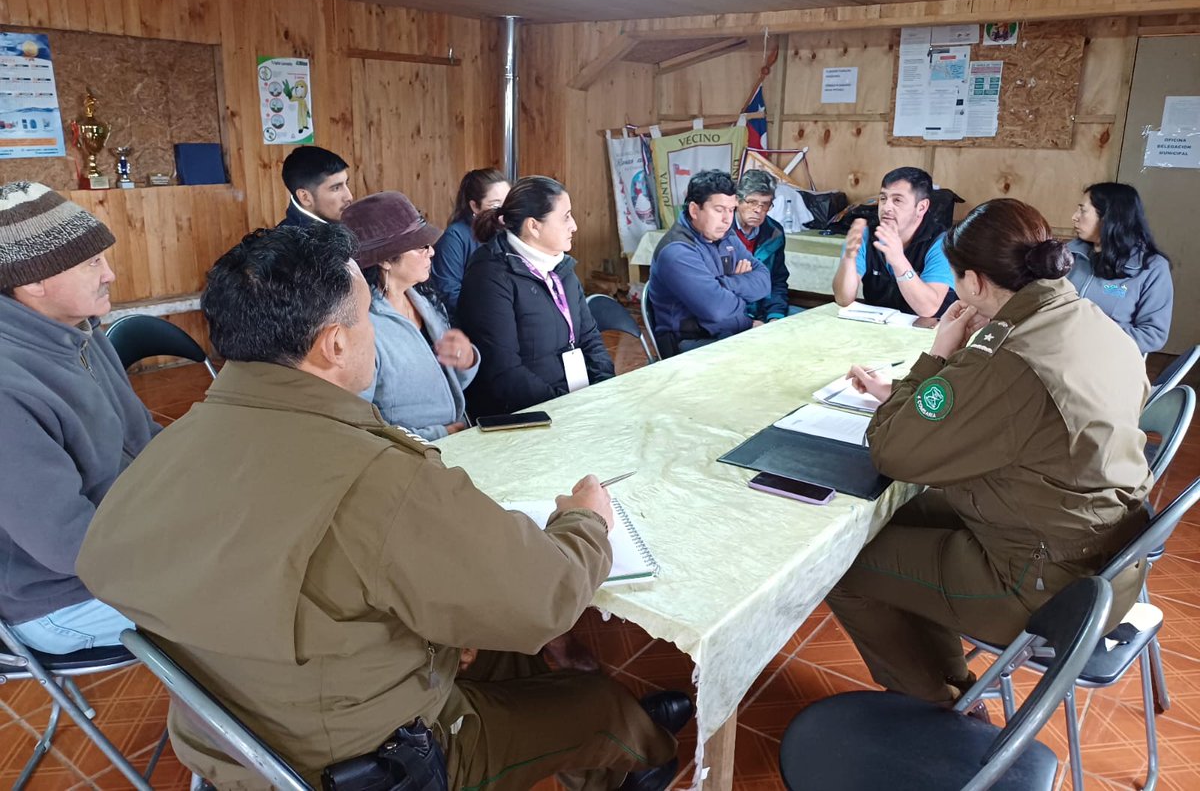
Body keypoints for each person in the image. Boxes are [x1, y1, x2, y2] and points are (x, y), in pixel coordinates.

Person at [76, 223, 689, 791]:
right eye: (370, 318)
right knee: (599, 705)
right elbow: (547, 597)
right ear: (335, 345)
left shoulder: (170, 445)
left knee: (504, 649)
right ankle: (641, 758)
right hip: (371, 761)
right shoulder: (378, 477)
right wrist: (585, 520)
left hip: (235, 737)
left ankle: (551, 714)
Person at [831, 198, 1152, 707]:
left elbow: (891, 451)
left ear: (975, 282)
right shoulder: (1084, 315)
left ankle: (936, 702)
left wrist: (938, 353)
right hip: (1104, 555)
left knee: (841, 568)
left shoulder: (1009, 356)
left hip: (1044, 583)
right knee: (901, 518)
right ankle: (953, 681)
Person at [0, 181, 159, 653]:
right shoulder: (7, 386)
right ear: (33, 281)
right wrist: (186, 543)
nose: (109, 274)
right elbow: (69, 545)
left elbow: (145, 439)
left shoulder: (82, 334)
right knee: (256, 596)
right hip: (60, 598)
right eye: (91, 261)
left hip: (129, 541)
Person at [457, 176, 614, 417]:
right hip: (528, 415)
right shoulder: (489, 275)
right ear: (533, 226)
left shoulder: (560, 265)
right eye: (566, 217)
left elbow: (589, 337)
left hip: (574, 403)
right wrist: (565, 408)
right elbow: (505, 371)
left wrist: (604, 387)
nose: (574, 226)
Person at [342, 191, 480, 440]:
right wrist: (437, 434)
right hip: (414, 457)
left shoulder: (422, 299)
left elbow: (446, 387)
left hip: (457, 440)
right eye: (420, 247)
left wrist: (466, 359)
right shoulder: (361, 325)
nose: (432, 252)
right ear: (385, 260)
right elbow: (360, 424)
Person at [647, 170, 770, 357]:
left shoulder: (725, 235)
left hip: (722, 334)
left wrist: (725, 283)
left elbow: (764, 282)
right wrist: (746, 320)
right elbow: (717, 311)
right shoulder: (677, 251)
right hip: (687, 346)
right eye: (719, 210)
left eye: (731, 210)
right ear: (694, 210)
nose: (727, 219)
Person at [832, 166, 954, 317]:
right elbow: (843, 299)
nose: (886, 207)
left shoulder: (942, 243)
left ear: (921, 207)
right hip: (879, 328)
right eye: (883, 198)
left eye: (897, 200)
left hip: (930, 332)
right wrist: (849, 258)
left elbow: (928, 309)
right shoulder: (866, 234)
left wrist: (898, 260)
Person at [1067, 181, 1173, 354]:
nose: (1074, 216)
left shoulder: (1152, 268)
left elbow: (1152, 334)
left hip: (1108, 358)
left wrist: (1091, 335)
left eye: (1083, 210)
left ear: (1109, 216)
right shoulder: (1070, 254)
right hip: (1059, 353)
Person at [431, 168, 510, 315]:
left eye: (508, 203)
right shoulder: (455, 237)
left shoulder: (510, 232)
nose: (504, 211)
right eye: (495, 205)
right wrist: (491, 314)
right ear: (474, 206)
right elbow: (448, 292)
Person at [733, 169, 791, 323]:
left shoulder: (775, 233)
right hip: (732, 315)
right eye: (752, 202)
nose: (758, 210)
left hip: (763, 310)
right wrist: (746, 322)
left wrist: (775, 316)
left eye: (765, 204)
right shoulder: (720, 231)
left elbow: (777, 281)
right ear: (737, 200)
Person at [278, 145, 352, 226]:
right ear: (305, 197)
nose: (349, 197)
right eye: (336, 188)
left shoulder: (346, 224)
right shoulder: (283, 238)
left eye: (346, 183)